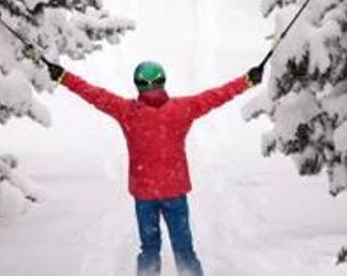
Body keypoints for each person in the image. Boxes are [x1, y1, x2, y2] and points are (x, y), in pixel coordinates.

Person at [43, 59, 263, 276]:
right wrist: (246, 81)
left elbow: (92, 94)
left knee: (149, 250)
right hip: (174, 192)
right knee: (184, 250)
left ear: (137, 84)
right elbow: (218, 95)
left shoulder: (126, 111)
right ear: (163, 82)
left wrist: (64, 77)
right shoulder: (183, 108)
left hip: (144, 194)